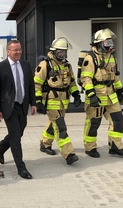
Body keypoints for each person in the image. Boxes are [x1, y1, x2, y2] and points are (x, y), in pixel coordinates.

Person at [80, 28, 123, 158]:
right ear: (99, 44)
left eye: (111, 43)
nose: (110, 46)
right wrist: (91, 96)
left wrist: (120, 90)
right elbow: (86, 78)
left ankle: (115, 147)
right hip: (96, 95)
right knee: (93, 123)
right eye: (107, 43)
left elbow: (115, 75)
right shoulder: (90, 58)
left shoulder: (111, 57)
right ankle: (90, 148)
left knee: (119, 120)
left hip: (110, 95)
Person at [0, 40, 37, 179]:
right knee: (16, 137)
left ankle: (1, 146)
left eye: (19, 49)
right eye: (15, 50)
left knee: (19, 132)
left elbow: (30, 85)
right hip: (8, 107)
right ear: (8, 51)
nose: (18, 52)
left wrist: (33, 103)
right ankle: (21, 167)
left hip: (22, 105)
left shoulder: (26, 65)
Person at [34, 37, 81, 165]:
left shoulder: (67, 65)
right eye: (60, 53)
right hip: (50, 101)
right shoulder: (45, 64)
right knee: (60, 127)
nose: (62, 55)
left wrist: (76, 94)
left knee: (53, 124)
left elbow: (71, 82)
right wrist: (38, 101)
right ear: (54, 52)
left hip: (63, 102)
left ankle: (45, 144)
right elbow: (37, 84)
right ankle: (68, 154)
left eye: (64, 53)